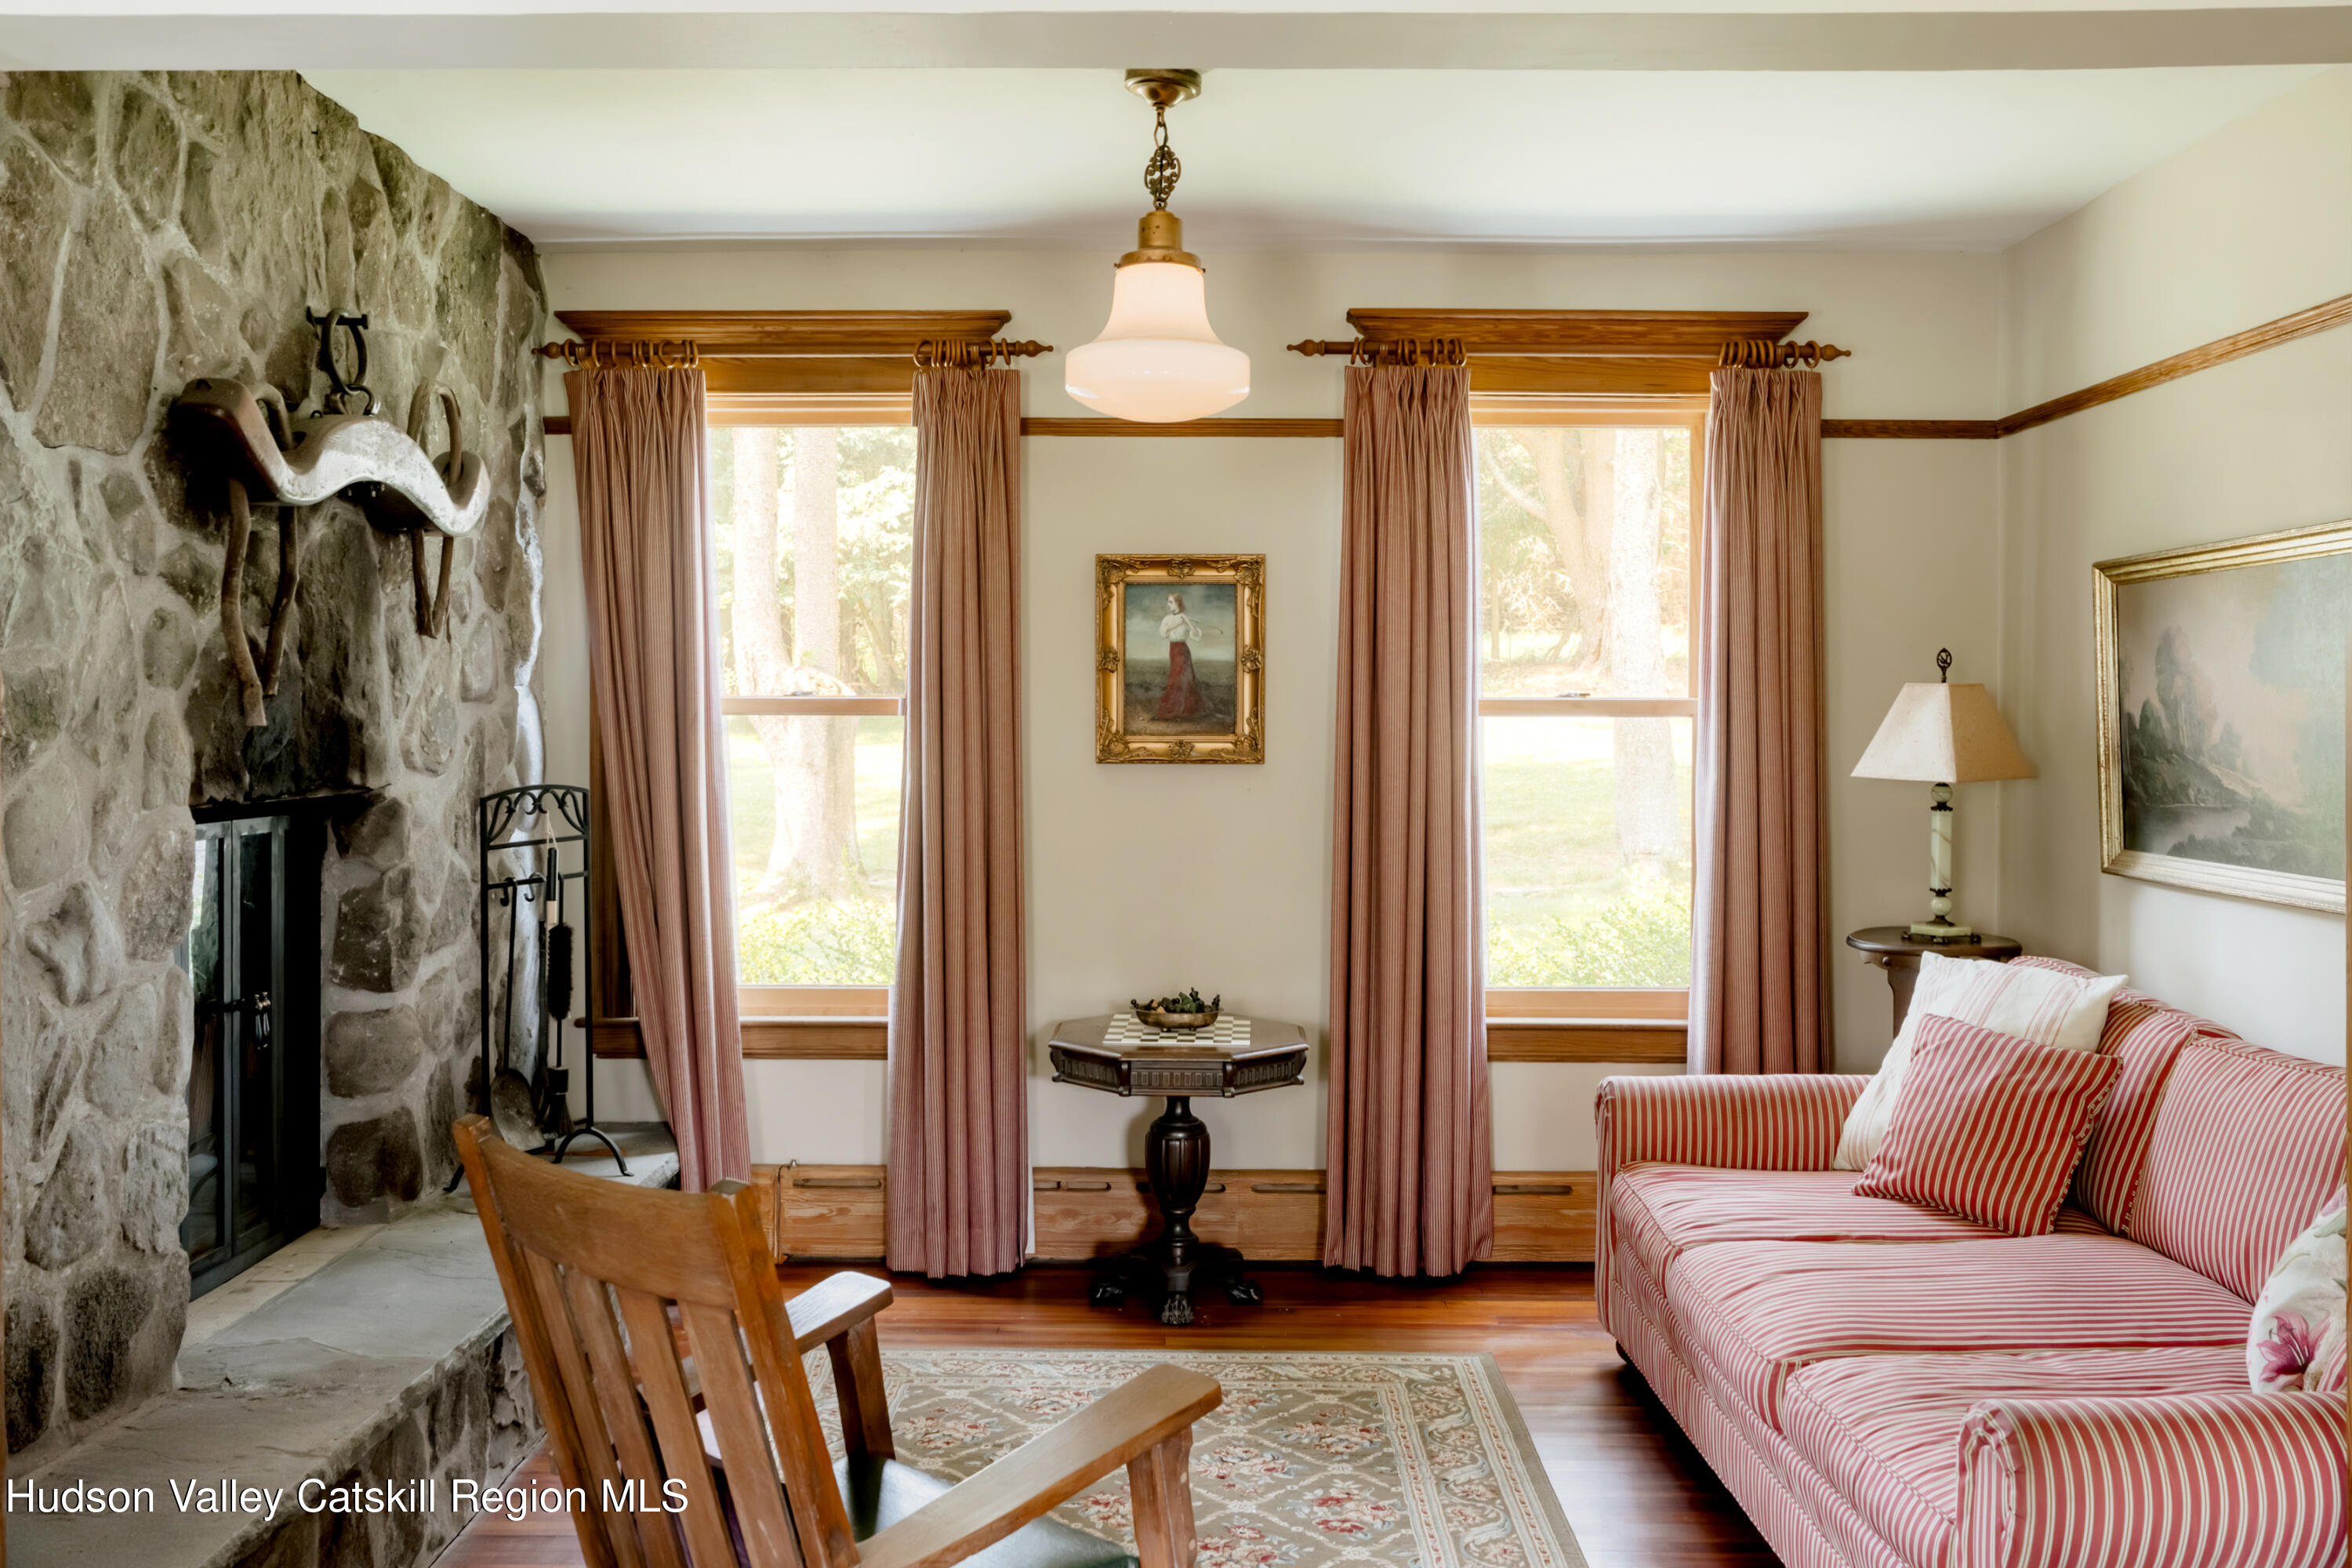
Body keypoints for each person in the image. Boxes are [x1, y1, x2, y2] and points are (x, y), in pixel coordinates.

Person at [1154, 592, 1223, 721]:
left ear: (1178, 603)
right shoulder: (1167, 619)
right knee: (1175, 678)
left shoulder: (1186, 617)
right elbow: (1163, 633)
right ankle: (1173, 709)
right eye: (1168, 602)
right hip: (1173, 650)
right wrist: (1178, 623)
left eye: (1170, 602)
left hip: (1183, 650)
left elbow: (1196, 635)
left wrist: (1188, 622)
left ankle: (1185, 710)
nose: (1168, 605)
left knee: (1185, 678)